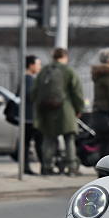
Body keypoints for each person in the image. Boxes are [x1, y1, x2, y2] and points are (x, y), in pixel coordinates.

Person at [32, 48, 84, 177]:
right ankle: (71, 167)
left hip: (47, 110)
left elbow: (34, 92)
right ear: (65, 57)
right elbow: (77, 92)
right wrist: (79, 109)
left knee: (48, 139)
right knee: (69, 138)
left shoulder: (44, 71)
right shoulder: (68, 71)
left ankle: (46, 166)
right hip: (65, 109)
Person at [20, 55, 43, 175]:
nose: (39, 66)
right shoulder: (28, 79)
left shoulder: (27, 79)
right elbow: (30, 96)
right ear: (31, 65)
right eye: (38, 64)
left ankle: (26, 167)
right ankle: (40, 166)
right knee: (35, 142)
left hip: (28, 117)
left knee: (26, 143)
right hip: (30, 118)